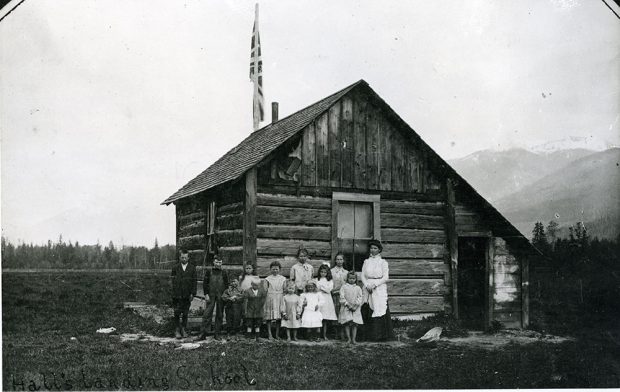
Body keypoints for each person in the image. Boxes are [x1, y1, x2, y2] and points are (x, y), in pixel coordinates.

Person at [361, 239, 394, 341]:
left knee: (379, 308)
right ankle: (367, 335)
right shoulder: (366, 261)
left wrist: (374, 285)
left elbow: (385, 277)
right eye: (371, 248)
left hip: (378, 287)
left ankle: (380, 336)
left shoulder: (383, 262)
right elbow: (362, 275)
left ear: (379, 250)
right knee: (367, 307)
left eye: (375, 248)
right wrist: (367, 285)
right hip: (367, 287)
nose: (373, 250)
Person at [197, 255, 228, 341]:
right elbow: (205, 283)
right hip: (210, 296)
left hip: (221, 296)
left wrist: (225, 295)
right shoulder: (209, 271)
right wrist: (206, 294)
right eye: (217, 262)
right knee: (207, 314)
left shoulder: (224, 272)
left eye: (220, 262)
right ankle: (202, 333)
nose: (218, 264)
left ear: (222, 262)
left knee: (219, 315)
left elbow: (226, 285)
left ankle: (217, 334)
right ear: (213, 262)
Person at [171, 248, 197, 339]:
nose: (184, 259)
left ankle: (184, 329)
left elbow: (194, 282)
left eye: (185, 258)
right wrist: (173, 294)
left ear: (188, 258)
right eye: (182, 257)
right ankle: (177, 330)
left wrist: (193, 293)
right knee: (177, 312)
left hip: (187, 295)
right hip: (177, 295)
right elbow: (172, 282)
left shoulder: (192, 268)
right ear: (179, 257)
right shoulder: (175, 268)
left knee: (185, 313)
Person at [263, 261, 287, 339]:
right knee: (269, 317)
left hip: (279, 298)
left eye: (276, 269)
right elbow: (265, 290)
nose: (275, 271)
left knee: (278, 317)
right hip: (270, 298)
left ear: (279, 269)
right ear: (270, 269)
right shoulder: (267, 279)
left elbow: (285, 289)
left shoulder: (283, 278)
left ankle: (277, 334)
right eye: (273, 269)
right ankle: (270, 334)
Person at [339, 272, 364, 344]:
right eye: (350, 278)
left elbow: (360, 297)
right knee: (347, 323)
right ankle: (348, 338)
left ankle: (354, 339)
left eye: (353, 278)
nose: (352, 280)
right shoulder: (344, 287)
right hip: (346, 307)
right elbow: (342, 297)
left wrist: (355, 306)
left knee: (354, 323)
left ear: (356, 279)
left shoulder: (358, 288)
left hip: (355, 308)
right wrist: (348, 305)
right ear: (347, 278)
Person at [315, 264, 337, 340]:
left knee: (325, 318)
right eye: (321, 272)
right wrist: (323, 288)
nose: (323, 273)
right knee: (318, 317)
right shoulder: (316, 280)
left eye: (325, 272)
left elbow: (328, 290)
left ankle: (324, 335)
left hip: (327, 300)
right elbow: (315, 289)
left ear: (327, 273)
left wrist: (321, 287)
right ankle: (317, 335)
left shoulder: (330, 280)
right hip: (318, 299)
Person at [330, 253, 348, 339]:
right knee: (335, 312)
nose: (339, 261)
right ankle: (335, 333)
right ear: (335, 260)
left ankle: (343, 333)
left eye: (341, 259)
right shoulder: (332, 271)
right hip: (334, 295)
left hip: (343, 296)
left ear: (343, 261)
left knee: (342, 313)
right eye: (337, 259)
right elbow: (329, 283)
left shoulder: (346, 272)